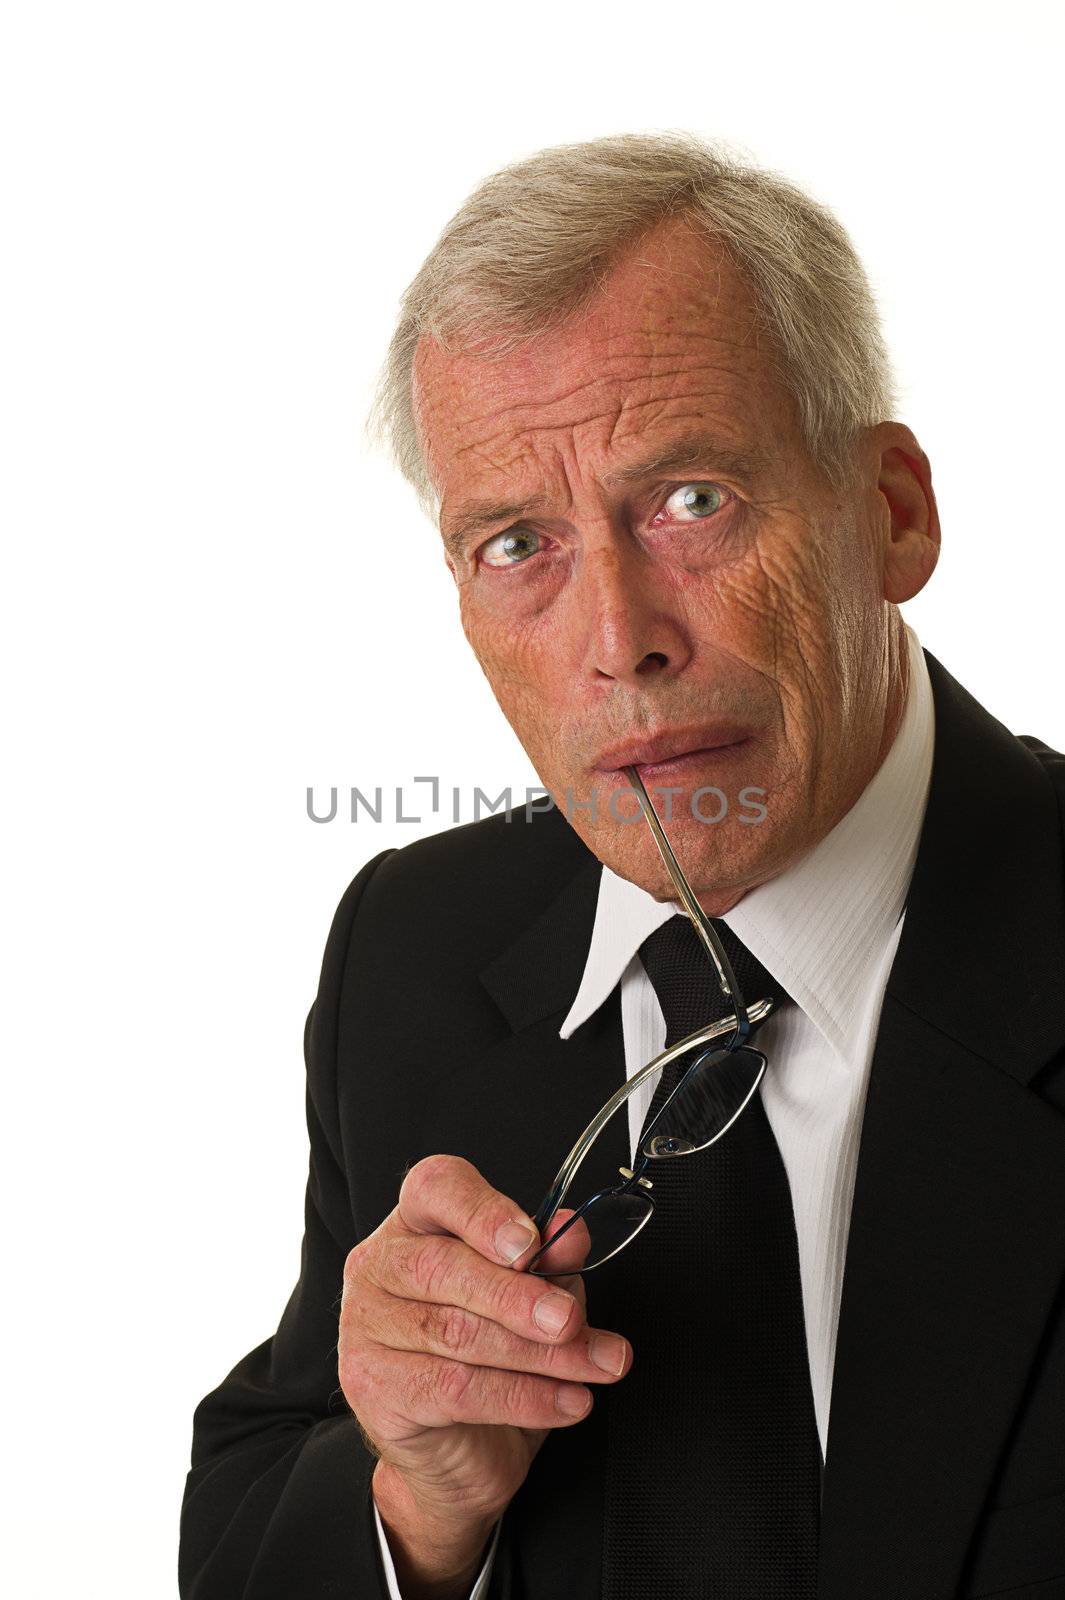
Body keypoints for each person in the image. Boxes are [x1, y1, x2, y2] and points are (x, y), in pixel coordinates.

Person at [178, 133, 1065, 1600]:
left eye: (690, 501)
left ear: (890, 512)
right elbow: (256, 1511)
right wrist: (420, 1502)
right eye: (517, 541)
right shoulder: (415, 946)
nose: (617, 639)